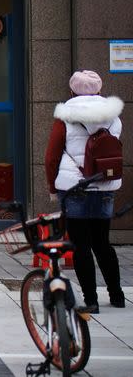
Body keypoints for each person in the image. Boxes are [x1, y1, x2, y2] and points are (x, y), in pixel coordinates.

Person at [45, 70, 124, 314]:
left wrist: (51, 186)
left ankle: (90, 300)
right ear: (99, 90)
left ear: (72, 91)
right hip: (104, 185)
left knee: (81, 245)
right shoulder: (113, 118)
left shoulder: (65, 118)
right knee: (103, 243)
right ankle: (117, 295)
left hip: (75, 186)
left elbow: (52, 157)